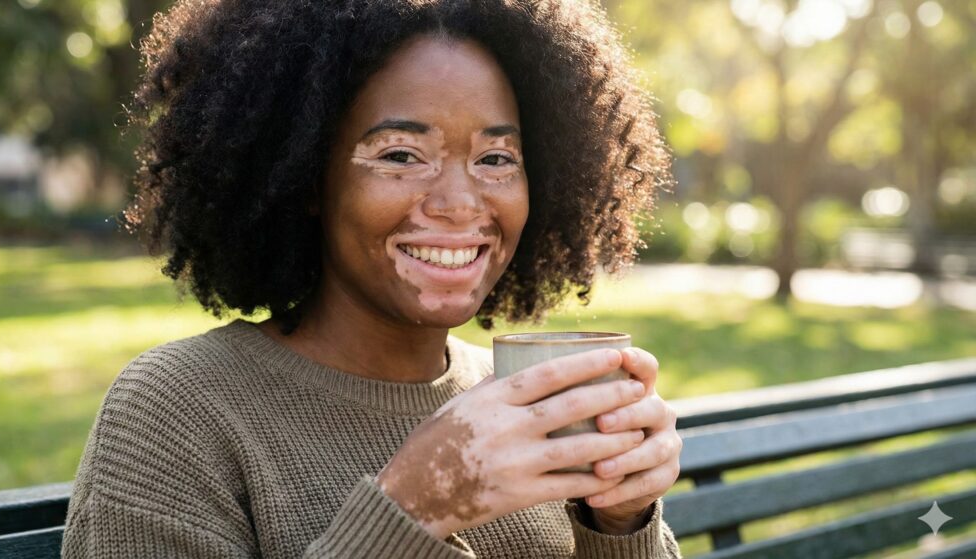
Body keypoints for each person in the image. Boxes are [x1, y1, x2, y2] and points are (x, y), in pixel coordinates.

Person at [61, 0, 683, 557]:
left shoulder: (524, 405)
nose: (461, 203)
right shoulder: (177, 411)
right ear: (306, 176)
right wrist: (412, 510)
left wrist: (619, 525)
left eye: (496, 159)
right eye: (400, 156)